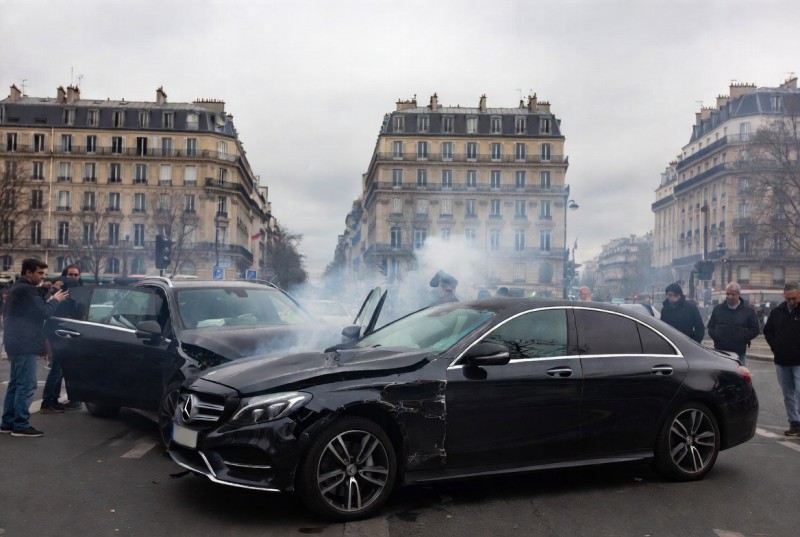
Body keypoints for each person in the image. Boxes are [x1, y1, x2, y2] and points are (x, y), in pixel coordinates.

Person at [1, 258, 69, 437]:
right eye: (39, 273)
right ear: (28, 273)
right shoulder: (27, 289)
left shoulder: (19, 288)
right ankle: (21, 425)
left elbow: (33, 301)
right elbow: (44, 311)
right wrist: (56, 298)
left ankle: (7, 422)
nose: (42, 276)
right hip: (24, 342)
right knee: (27, 384)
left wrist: (47, 289)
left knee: (15, 384)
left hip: (15, 341)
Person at [41, 265, 84, 413]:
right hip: (60, 334)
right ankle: (49, 400)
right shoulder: (60, 292)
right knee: (57, 369)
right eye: (70, 274)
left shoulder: (79, 291)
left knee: (63, 369)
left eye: (75, 275)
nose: (73, 277)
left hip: (72, 334)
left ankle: (55, 399)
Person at [763, 281, 800, 437]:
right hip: (782, 360)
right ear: (784, 296)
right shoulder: (777, 312)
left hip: (799, 361)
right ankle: (794, 423)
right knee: (788, 394)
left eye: (794, 298)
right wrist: (775, 347)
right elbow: (768, 331)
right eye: (788, 299)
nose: (791, 302)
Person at [706, 282, 760, 365]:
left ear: (738, 294)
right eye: (727, 294)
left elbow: (755, 329)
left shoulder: (748, 311)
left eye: (733, 294)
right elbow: (710, 326)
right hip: (720, 351)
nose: (729, 297)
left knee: (738, 376)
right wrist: (716, 337)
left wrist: (743, 338)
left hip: (739, 352)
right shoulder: (718, 309)